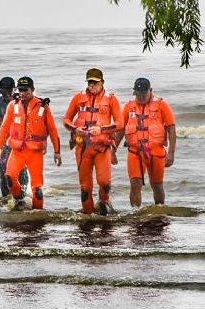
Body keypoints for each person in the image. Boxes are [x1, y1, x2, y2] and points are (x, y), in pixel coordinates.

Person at [0, 76, 61, 210]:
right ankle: (19, 200)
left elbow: (53, 130)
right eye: (20, 90)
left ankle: (38, 214)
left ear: (33, 90)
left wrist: (57, 151)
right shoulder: (13, 106)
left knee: (37, 189)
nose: (23, 93)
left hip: (35, 152)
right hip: (17, 151)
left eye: (26, 90)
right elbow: (5, 128)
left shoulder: (43, 106)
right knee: (9, 177)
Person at [63, 68, 123, 215]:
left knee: (104, 183)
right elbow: (66, 120)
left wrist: (101, 130)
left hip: (102, 148)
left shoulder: (111, 99)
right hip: (82, 148)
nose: (92, 86)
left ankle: (104, 201)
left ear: (102, 82)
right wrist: (75, 129)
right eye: (90, 82)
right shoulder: (78, 98)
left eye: (95, 83)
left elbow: (120, 123)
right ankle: (88, 216)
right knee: (85, 188)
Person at [122, 78, 176, 208]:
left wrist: (171, 154)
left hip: (156, 152)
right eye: (138, 94)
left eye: (143, 94)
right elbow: (120, 129)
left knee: (157, 185)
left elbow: (172, 129)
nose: (140, 97)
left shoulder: (162, 105)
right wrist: (112, 150)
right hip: (135, 152)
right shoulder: (129, 107)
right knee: (135, 183)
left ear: (150, 91)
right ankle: (135, 213)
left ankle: (159, 211)